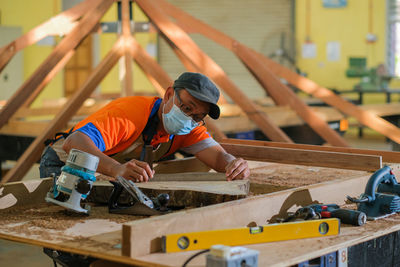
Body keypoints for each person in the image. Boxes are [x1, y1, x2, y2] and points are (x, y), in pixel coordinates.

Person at [39, 72, 250, 182]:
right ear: (168, 95)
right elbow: (73, 143)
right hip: (64, 163)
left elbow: (218, 157)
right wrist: (116, 169)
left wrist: (233, 164)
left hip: (106, 172)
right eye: (186, 107)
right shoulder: (131, 114)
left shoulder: (189, 127)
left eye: (198, 116)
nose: (189, 118)